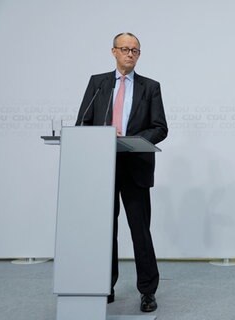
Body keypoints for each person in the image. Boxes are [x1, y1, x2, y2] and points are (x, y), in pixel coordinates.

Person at [76, 32, 168, 313]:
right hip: (103, 167)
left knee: (140, 230)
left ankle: (148, 291)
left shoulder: (150, 87)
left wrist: (133, 138)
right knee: (106, 231)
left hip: (135, 165)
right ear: (113, 52)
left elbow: (160, 127)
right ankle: (106, 286)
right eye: (125, 49)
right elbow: (82, 122)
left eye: (135, 50)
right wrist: (103, 135)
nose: (130, 54)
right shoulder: (98, 84)